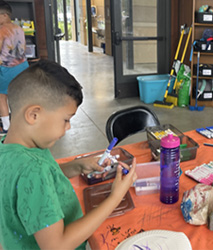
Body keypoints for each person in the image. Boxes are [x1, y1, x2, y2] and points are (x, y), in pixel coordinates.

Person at [0, 59, 137, 249]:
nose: (69, 127)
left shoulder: (8, 148)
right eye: (66, 119)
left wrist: (77, 166)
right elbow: (57, 245)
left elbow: (33, 185)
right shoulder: (33, 168)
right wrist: (115, 197)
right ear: (34, 115)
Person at [0, 1, 29, 134]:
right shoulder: (19, 28)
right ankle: (22, 123)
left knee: (2, 97)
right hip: (23, 66)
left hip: (7, 68)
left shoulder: (2, 31)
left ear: (5, 15)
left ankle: (6, 127)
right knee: (19, 95)